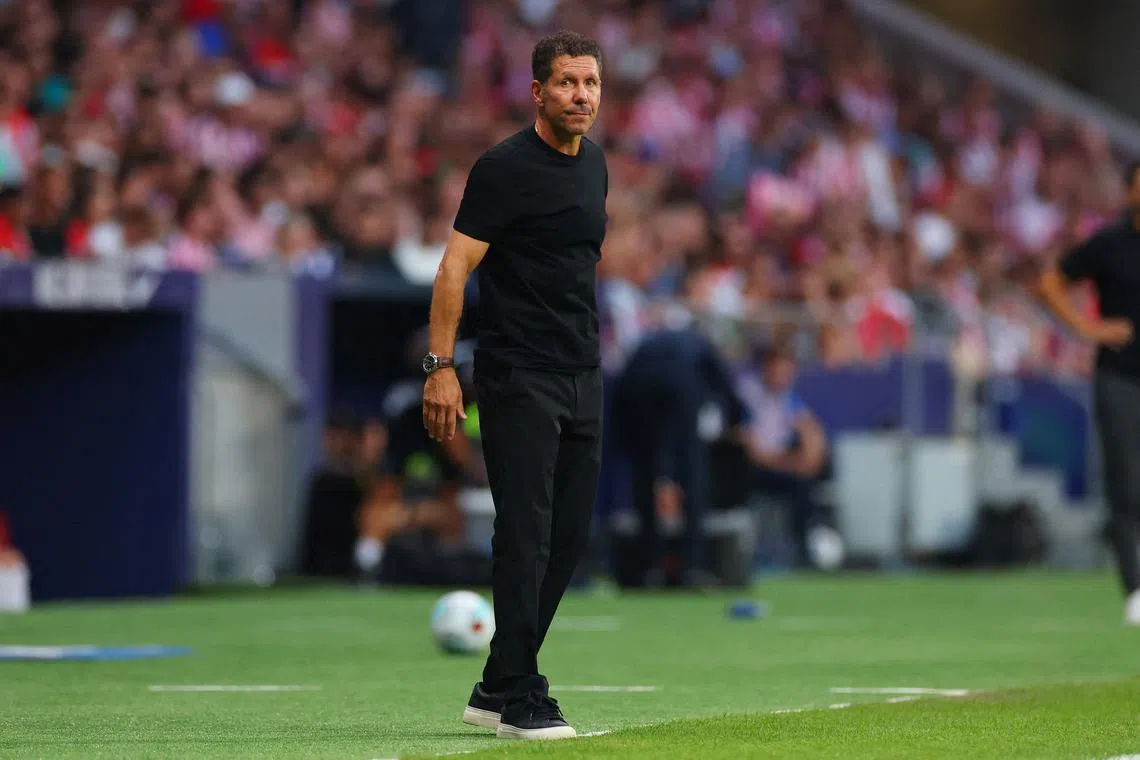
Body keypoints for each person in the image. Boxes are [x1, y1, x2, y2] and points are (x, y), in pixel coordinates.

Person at [421, 31, 607, 740]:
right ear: (537, 92)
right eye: (567, 83)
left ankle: (498, 682)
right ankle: (523, 696)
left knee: (569, 535)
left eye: (590, 83)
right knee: (525, 532)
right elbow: (452, 269)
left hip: (582, 372)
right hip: (517, 372)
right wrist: (441, 369)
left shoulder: (595, 166)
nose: (581, 95)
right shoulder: (502, 168)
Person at [1039, 161, 1140, 625]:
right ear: (1130, 190)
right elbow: (1051, 281)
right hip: (1119, 375)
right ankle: (1134, 589)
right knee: (1125, 483)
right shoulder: (1110, 244)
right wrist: (1086, 326)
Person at [611, 313, 749, 588]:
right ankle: (691, 567)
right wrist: (737, 419)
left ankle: (648, 567)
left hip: (639, 393)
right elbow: (725, 387)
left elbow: (623, 392)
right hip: (678, 390)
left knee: (646, 476)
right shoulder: (698, 343)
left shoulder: (647, 343)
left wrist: (626, 444)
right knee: (692, 476)